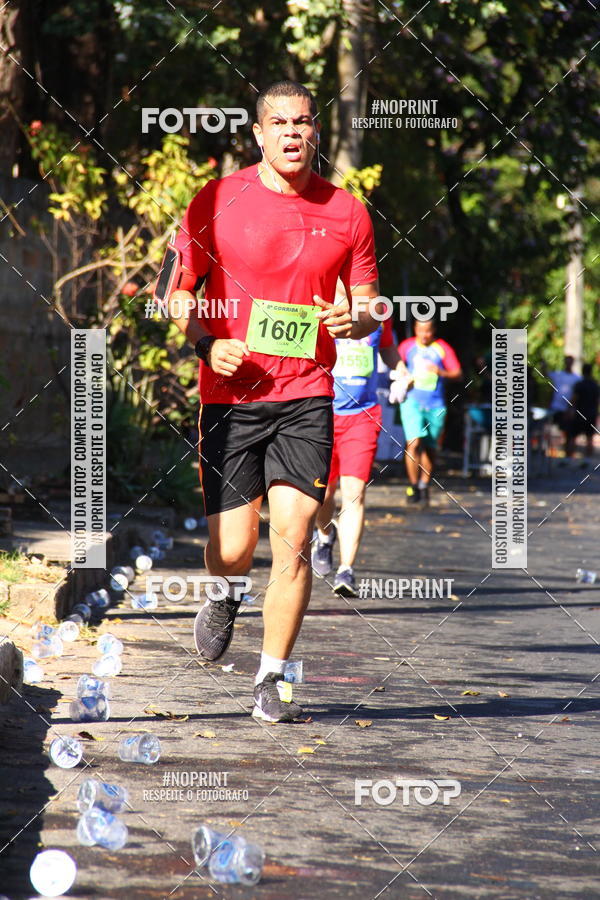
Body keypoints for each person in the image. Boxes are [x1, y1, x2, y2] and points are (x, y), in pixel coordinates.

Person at [166, 80, 381, 723]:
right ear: (258, 133)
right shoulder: (217, 200)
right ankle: (228, 591)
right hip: (230, 395)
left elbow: (372, 302)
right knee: (234, 548)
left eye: (305, 122)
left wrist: (356, 320)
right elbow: (174, 293)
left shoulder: (348, 212)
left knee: (293, 539)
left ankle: (272, 678)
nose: (293, 132)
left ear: (317, 131)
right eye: (280, 122)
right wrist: (205, 344)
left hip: (307, 395)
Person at [311, 316, 402, 596]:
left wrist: (402, 371)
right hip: (320, 412)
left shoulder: (376, 311)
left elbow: (387, 347)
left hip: (363, 416)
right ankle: (325, 535)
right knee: (322, 494)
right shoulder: (320, 304)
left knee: (355, 493)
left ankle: (346, 570)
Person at [395, 319, 462, 504]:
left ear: (433, 331)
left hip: (435, 404)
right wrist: (401, 378)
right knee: (414, 443)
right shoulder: (407, 346)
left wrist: (441, 372)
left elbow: (457, 373)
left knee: (431, 447)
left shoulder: (441, 348)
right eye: (421, 330)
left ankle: (424, 485)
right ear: (415, 330)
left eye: (428, 331)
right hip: (412, 401)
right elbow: (395, 365)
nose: (424, 335)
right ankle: (413, 485)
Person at [548, 356, 581, 457]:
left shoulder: (577, 378)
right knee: (553, 431)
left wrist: (571, 408)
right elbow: (545, 374)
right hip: (555, 408)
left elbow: (577, 395)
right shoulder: (558, 374)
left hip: (568, 410)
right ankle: (552, 453)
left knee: (569, 432)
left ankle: (568, 454)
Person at [570, 363, 599, 457]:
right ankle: (588, 459)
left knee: (573, 436)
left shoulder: (579, 385)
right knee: (589, 437)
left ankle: (570, 458)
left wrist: (570, 409)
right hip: (591, 414)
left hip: (579, 413)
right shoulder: (595, 385)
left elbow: (574, 399)